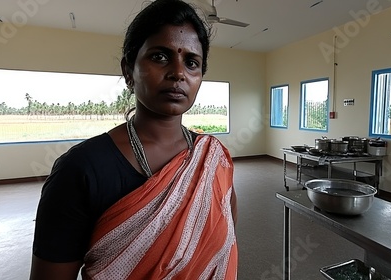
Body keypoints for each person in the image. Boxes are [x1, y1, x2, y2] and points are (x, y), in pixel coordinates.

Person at [29, 0, 238, 279]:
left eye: (191, 62)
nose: (178, 73)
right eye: (160, 57)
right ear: (128, 70)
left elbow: (221, 249)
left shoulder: (213, 159)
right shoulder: (80, 169)